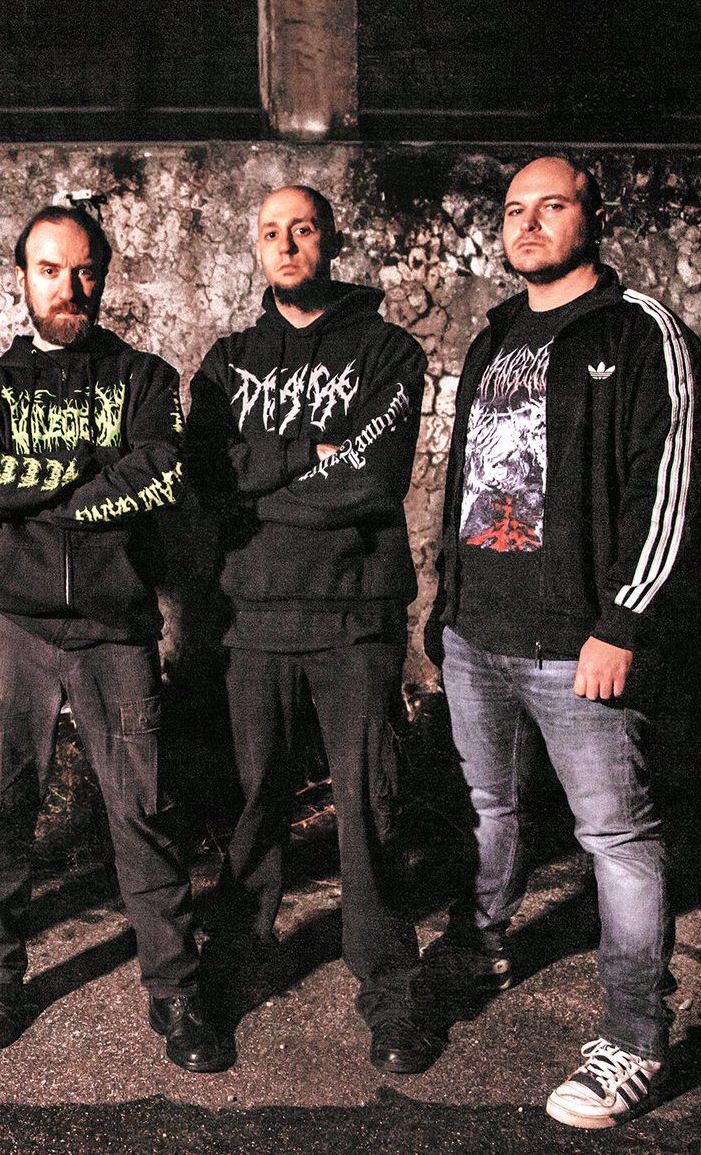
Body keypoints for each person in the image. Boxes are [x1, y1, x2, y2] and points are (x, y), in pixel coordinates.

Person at [425, 155, 701, 1128]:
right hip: (478, 634)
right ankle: (482, 947)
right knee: (490, 805)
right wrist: (447, 606)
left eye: (551, 206)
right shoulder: (495, 335)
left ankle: (635, 1042)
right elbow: (468, 480)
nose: (529, 223)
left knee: (617, 840)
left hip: (578, 644)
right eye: (515, 209)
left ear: (594, 217)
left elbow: (668, 489)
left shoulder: (641, 333)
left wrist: (623, 622)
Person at [0, 204, 233, 1073]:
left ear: (103, 276)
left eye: (83, 271)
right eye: (48, 269)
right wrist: (82, 471)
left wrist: (43, 499)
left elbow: (159, 473)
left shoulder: (146, 378)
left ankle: (175, 990)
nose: (68, 288)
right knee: (2, 812)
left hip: (117, 630)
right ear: (21, 277)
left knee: (142, 813)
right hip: (17, 629)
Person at [187, 186, 437, 1073]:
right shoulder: (228, 361)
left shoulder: (389, 351)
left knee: (367, 810)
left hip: (354, 618)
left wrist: (263, 489)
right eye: (271, 232)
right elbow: (207, 475)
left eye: (302, 229)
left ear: (330, 240)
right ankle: (237, 964)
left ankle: (391, 991)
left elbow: (374, 480)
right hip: (252, 621)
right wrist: (306, 456)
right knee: (252, 807)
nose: (287, 244)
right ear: (256, 248)